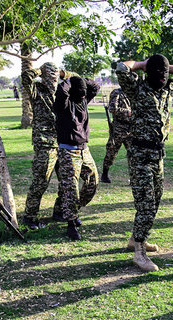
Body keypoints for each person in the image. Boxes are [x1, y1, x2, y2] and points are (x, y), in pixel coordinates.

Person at [115, 55, 173, 271]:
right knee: (146, 203)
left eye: (164, 74)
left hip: (158, 155)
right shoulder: (137, 89)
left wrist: (166, 67)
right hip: (140, 153)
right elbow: (122, 68)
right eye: (158, 73)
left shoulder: (168, 89)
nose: (162, 77)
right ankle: (139, 253)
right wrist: (142, 64)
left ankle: (136, 238)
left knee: (155, 199)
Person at [52, 76, 100, 240]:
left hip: (84, 150)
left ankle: (70, 209)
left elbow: (95, 87)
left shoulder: (83, 100)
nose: (83, 94)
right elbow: (61, 91)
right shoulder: (62, 104)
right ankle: (71, 223)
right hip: (68, 152)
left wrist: (81, 79)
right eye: (79, 91)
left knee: (93, 182)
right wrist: (68, 81)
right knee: (70, 189)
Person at [21, 62, 65, 230]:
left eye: (56, 76)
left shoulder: (61, 91)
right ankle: (29, 216)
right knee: (41, 180)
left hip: (62, 141)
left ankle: (59, 211)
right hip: (45, 142)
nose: (53, 80)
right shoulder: (37, 91)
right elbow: (25, 77)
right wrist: (40, 70)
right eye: (50, 76)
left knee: (66, 179)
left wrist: (63, 73)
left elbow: (77, 79)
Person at [101, 88, 132, 184]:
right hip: (118, 128)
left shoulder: (135, 92)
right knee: (111, 152)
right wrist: (128, 112)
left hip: (131, 129)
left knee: (133, 154)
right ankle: (104, 174)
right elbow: (112, 109)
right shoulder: (117, 93)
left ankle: (134, 177)